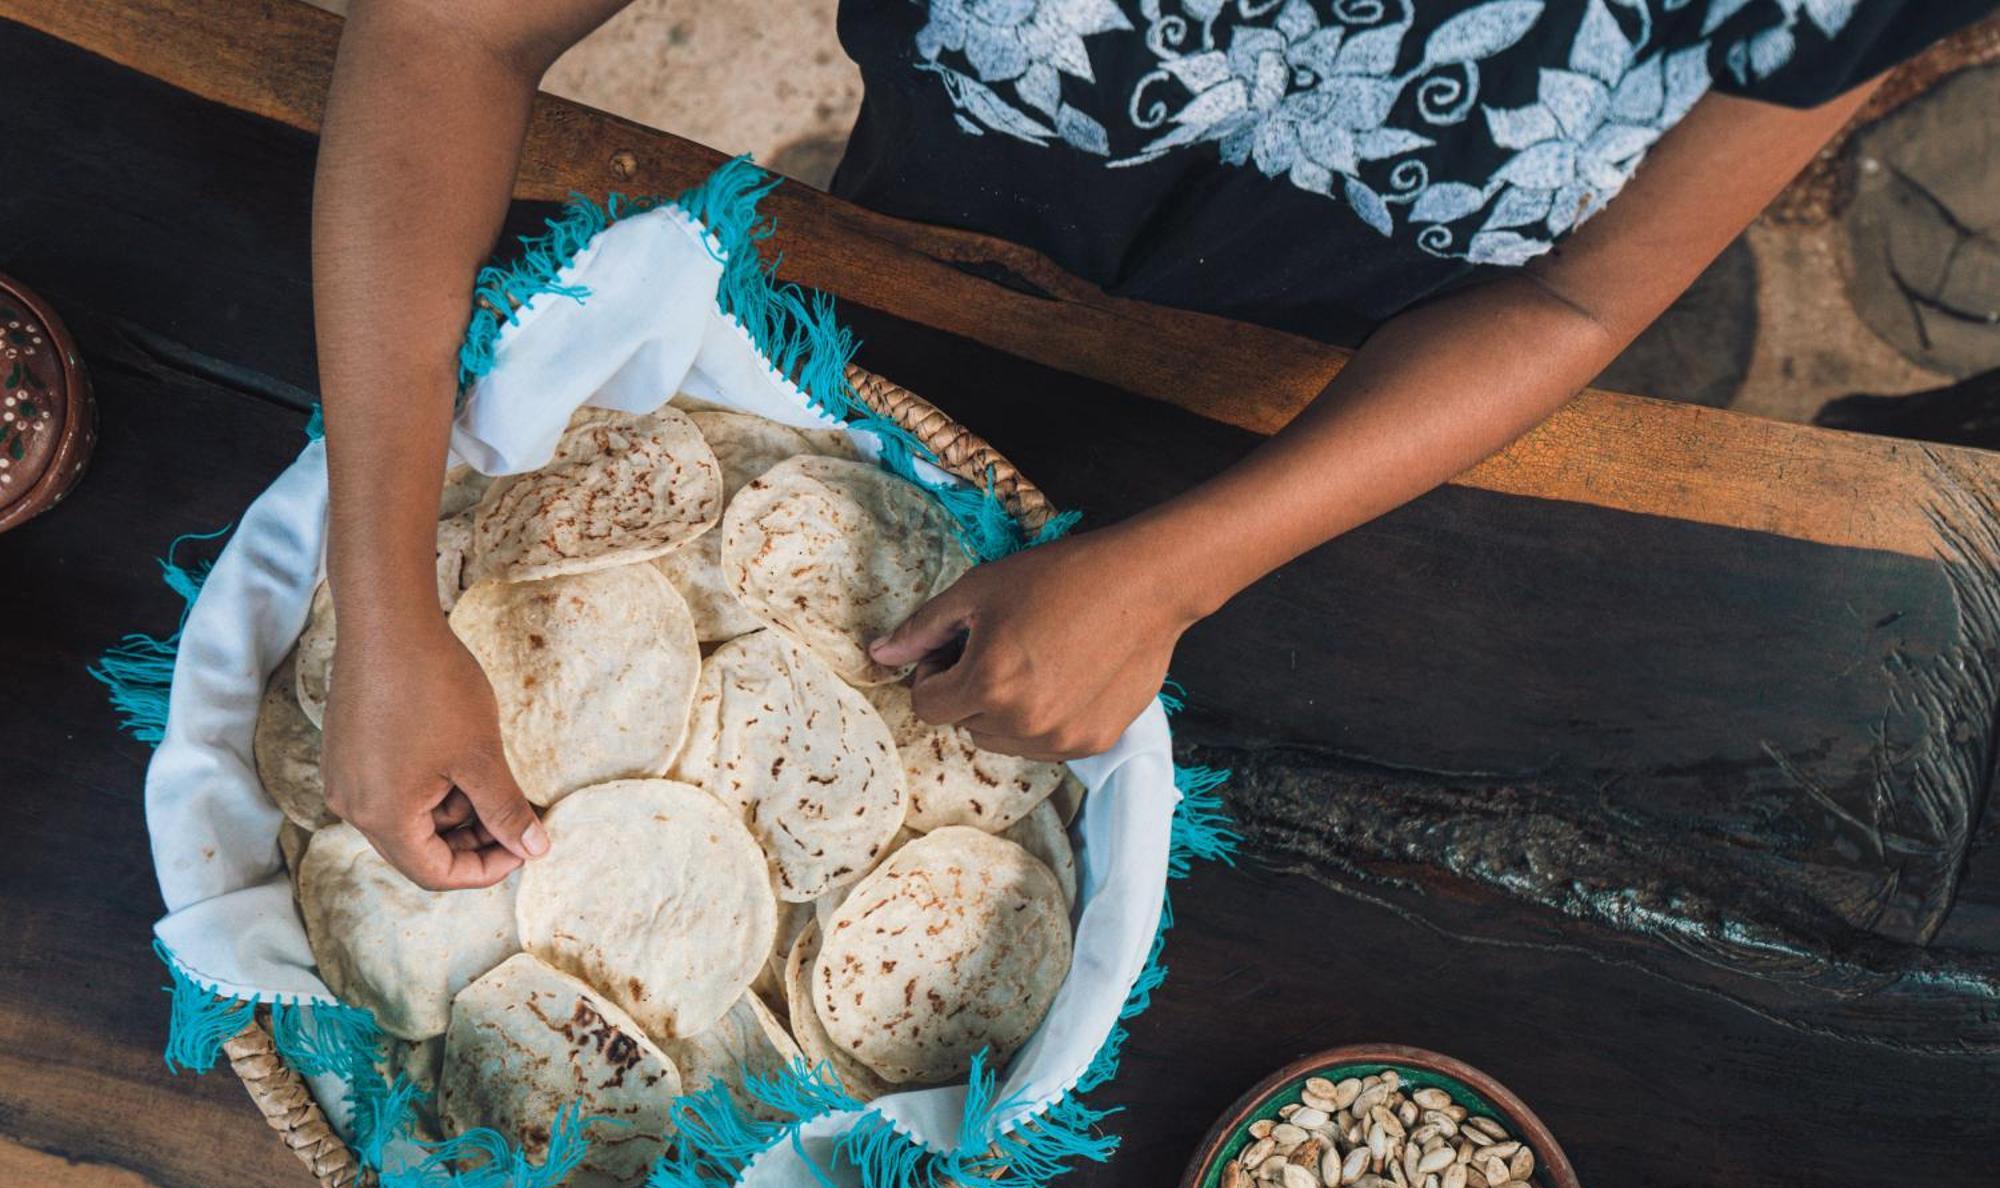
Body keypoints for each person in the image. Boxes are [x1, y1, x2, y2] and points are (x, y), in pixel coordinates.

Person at [312, 0, 1994, 890]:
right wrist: (382, 589)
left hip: (1328, 390)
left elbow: (1570, 307)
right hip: (934, 236)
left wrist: (1178, 572)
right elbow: (454, 27)